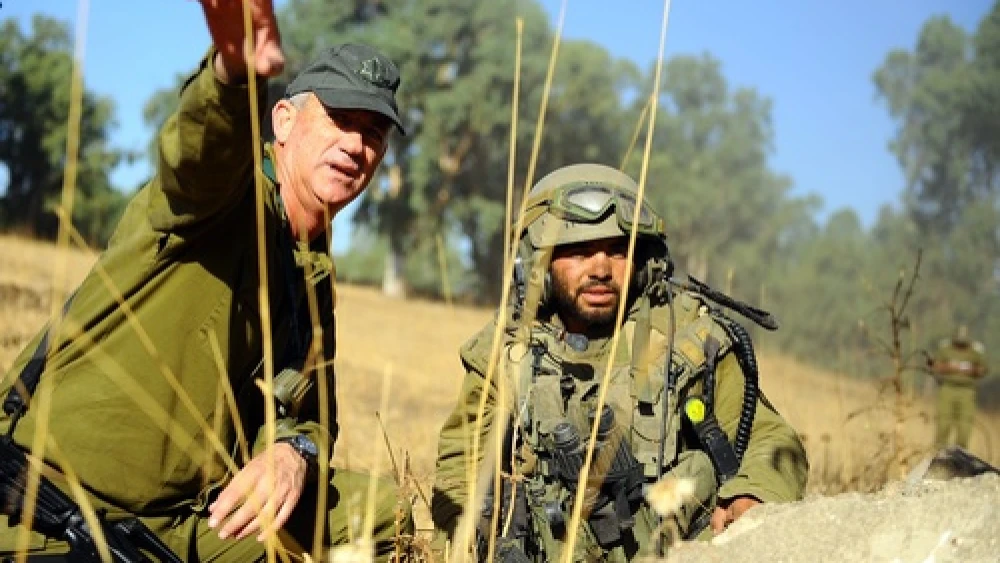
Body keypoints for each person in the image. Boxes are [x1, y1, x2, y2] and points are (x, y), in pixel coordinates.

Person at [0, 1, 410, 561]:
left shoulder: (310, 270)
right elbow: (200, 157)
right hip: (52, 508)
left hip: (190, 522)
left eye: (373, 133)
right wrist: (234, 77)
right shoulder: (224, 199)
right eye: (340, 119)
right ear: (283, 121)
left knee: (387, 515)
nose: (356, 145)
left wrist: (293, 453)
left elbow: (312, 416)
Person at [430, 164, 808, 561]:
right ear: (537, 264)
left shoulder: (689, 340)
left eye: (617, 250)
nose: (601, 269)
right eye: (579, 250)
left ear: (645, 259)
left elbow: (771, 439)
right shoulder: (507, 351)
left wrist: (751, 495)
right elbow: (461, 467)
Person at [930, 325, 988, 449]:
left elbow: (983, 369)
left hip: (967, 391)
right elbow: (936, 365)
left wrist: (970, 369)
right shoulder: (945, 349)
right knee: (943, 424)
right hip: (948, 389)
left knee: (964, 427)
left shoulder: (975, 351)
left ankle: (960, 454)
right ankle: (939, 452)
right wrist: (951, 367)